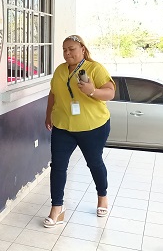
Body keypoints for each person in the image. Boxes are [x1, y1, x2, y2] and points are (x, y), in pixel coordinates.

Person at [43, 34, 115, 228]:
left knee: (94, 163)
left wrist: (92, 90)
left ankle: (102, 196)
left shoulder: (94, 68)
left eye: (71, 49)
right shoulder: (60, 70)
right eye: (64, 49)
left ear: (82, 49)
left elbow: (110, 92)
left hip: (92, 127)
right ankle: (57, 208)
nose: (67, 53)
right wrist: (48, 114)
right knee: (58, 166)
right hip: (63, 126)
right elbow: (53, 93)